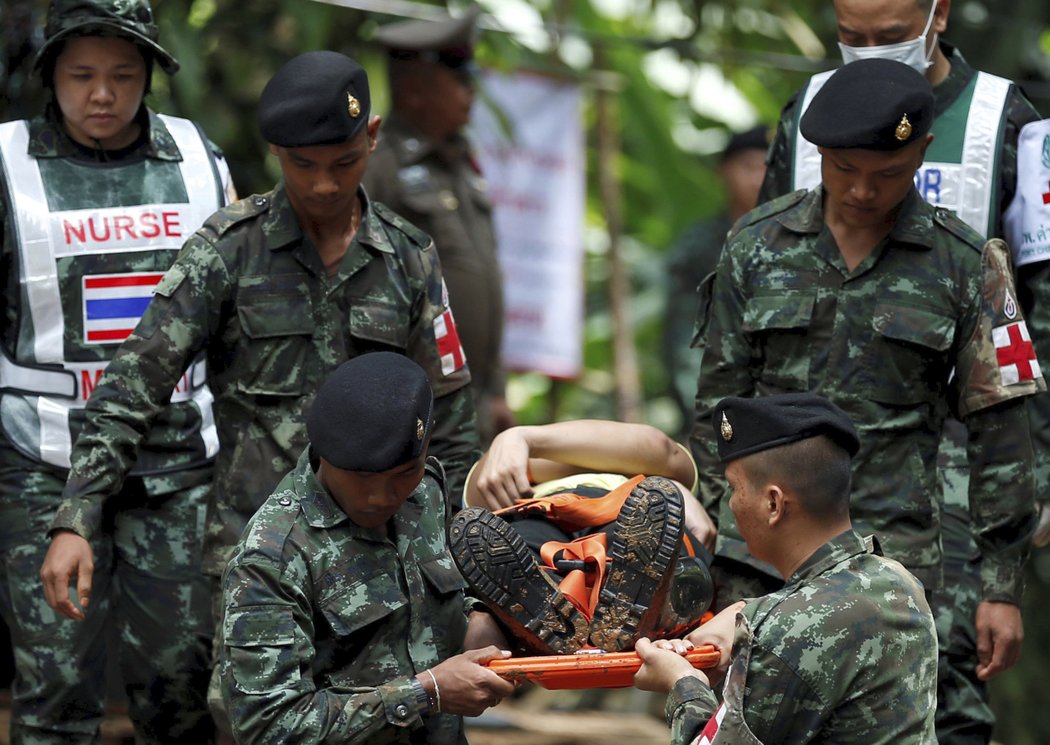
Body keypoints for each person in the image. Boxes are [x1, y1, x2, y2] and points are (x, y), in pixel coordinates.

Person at [38, 48, 480, 718]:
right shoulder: (227, 250)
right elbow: (132, 388)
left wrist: (461, 559)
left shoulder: (409, 258)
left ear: (374, 136)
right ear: (276, 150)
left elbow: (450, 420)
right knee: (256, 722)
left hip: (386, 563)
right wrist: (76, 515)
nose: (325, 185)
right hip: (260, 557)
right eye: (303, 165)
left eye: (344, 161)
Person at [690, 57, 1044, 742]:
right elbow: (718, 412)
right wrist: (705, 545)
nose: (861, 191)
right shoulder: (755, 247)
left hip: (894, 559)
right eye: (844, 169)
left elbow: (1004, 432)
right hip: (756, 557)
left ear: (920, 154)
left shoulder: (964, 262)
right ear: (819, 154)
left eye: (886, 173)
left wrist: (1001, 586)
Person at [0, 0, 235, 741]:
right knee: (54, 680)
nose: (101, 94)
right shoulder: (8, 163)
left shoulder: (201, 162)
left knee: (181, 676)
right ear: (50, 76)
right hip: (43, 457)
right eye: (80, 75)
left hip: (174, 464)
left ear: (150, 77)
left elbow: (237, 316)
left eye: (122, 75)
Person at [219, 352, 514, 744]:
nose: (381, 496)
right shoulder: (273, 555)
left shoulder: (424, 494)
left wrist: (474, 619)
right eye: (361, 477)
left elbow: (431, 600)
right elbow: (268, 728)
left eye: (404, 473)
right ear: (324, 454)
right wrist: (426, 692)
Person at [635, 392, 938, 744]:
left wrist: (683, 683)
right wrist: (746, 612)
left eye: (734, 488)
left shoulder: (785, 634)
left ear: (774, 503)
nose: (730, 504)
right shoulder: (899, 581)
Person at [364, 6, 513, 444]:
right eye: (459, 79)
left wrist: (496, 390)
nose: (471, 92)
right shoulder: (380, 168)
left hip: (473, 400)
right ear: (414, 91)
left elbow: (485, 279)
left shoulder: (463, 164)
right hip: (415, 400)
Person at [451, 420, 716, 654]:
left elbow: (659, 447)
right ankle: (642, 615)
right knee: (654, 557)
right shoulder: (661, 483)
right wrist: (519, 439)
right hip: (601, 511)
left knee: (527, 554)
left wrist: (518, 438)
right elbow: (660, 448)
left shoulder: (659, 494)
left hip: (541, 515)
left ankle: (549, 619)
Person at [663, 126, 768, 433]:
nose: (757, 179)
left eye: (766, 168)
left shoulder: (797, 241)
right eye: (748, 167)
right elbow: (684, 338)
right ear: (722, 171)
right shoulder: (699, 246)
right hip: (716, 407)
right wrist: (702, 412)